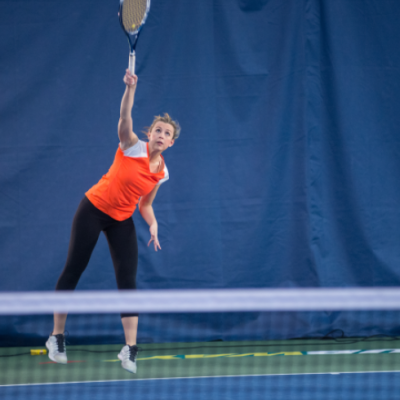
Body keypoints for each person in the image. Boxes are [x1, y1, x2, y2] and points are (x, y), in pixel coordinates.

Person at [45, 70, 180, 374]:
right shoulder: (132, 145)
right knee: (74, 268)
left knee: (127, 281)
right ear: (150, 134)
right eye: (157, 130)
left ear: (171, 143)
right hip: (93, 208)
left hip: (121, 219)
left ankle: (129, 349)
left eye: (166, 134)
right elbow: (125, 118)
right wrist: (129, 90)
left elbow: (145, 203)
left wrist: (153, 224)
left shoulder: (162, 172)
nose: (161, 135)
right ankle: (56, 336)